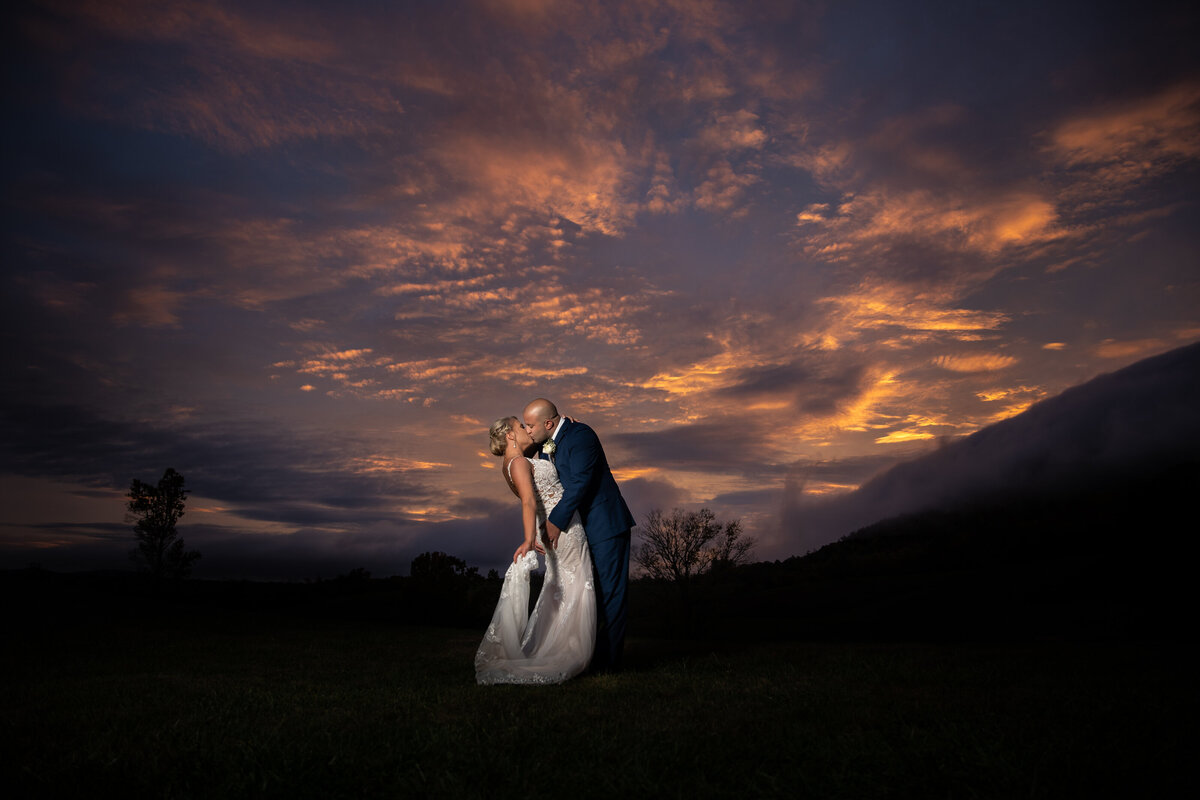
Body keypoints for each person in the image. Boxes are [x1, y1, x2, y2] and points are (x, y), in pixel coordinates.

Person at [474, 416, 596, 685]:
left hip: (555, 525)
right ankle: (568, 650)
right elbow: (528, 501)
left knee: (562, 585)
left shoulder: (517, 461)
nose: (527, 430)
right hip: (561, 528)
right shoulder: (517, 463)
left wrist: (562, 426)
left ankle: (559, 645)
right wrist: (529, 539)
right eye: (521, 426)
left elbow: (545, 451)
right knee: (575, 584)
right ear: (509, 435)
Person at [522, 398, 635, 672]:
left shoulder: (581, 435)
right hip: (582, 530)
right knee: (589, 594)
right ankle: (587, 656)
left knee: (611, 595)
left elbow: (580, 483)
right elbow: (523, 449)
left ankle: (608, 665)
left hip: (606, 524)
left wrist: (554, 523)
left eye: (530, 425)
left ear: (548, 423)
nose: (527, 431)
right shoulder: (548, 441)